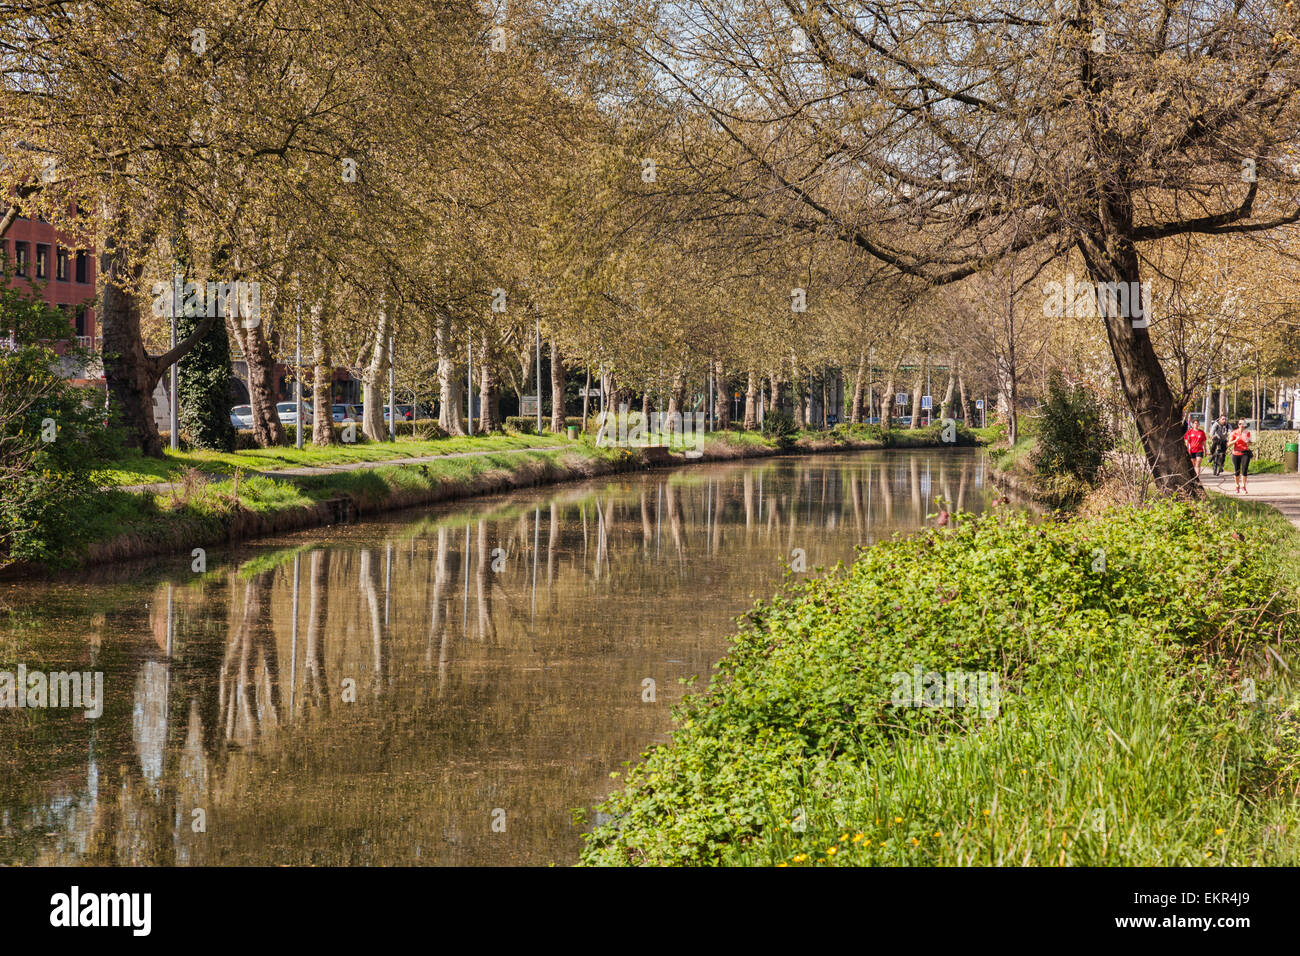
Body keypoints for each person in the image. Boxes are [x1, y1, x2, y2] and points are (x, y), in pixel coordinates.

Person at [1229, 419, 1253, 493]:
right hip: (1235, 453)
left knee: (1244, 470)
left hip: (1245, 453)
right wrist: (1235, 440)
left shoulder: (1247, 433)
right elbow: (1228, 444)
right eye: (1240, 424)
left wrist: (1248, 442)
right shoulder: (1234, 432)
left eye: (1243, 424)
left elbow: (1250, 443)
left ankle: (1243, 486)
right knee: (1237, 471)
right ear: (1238, 425)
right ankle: (1237, 486)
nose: (1241, 426)